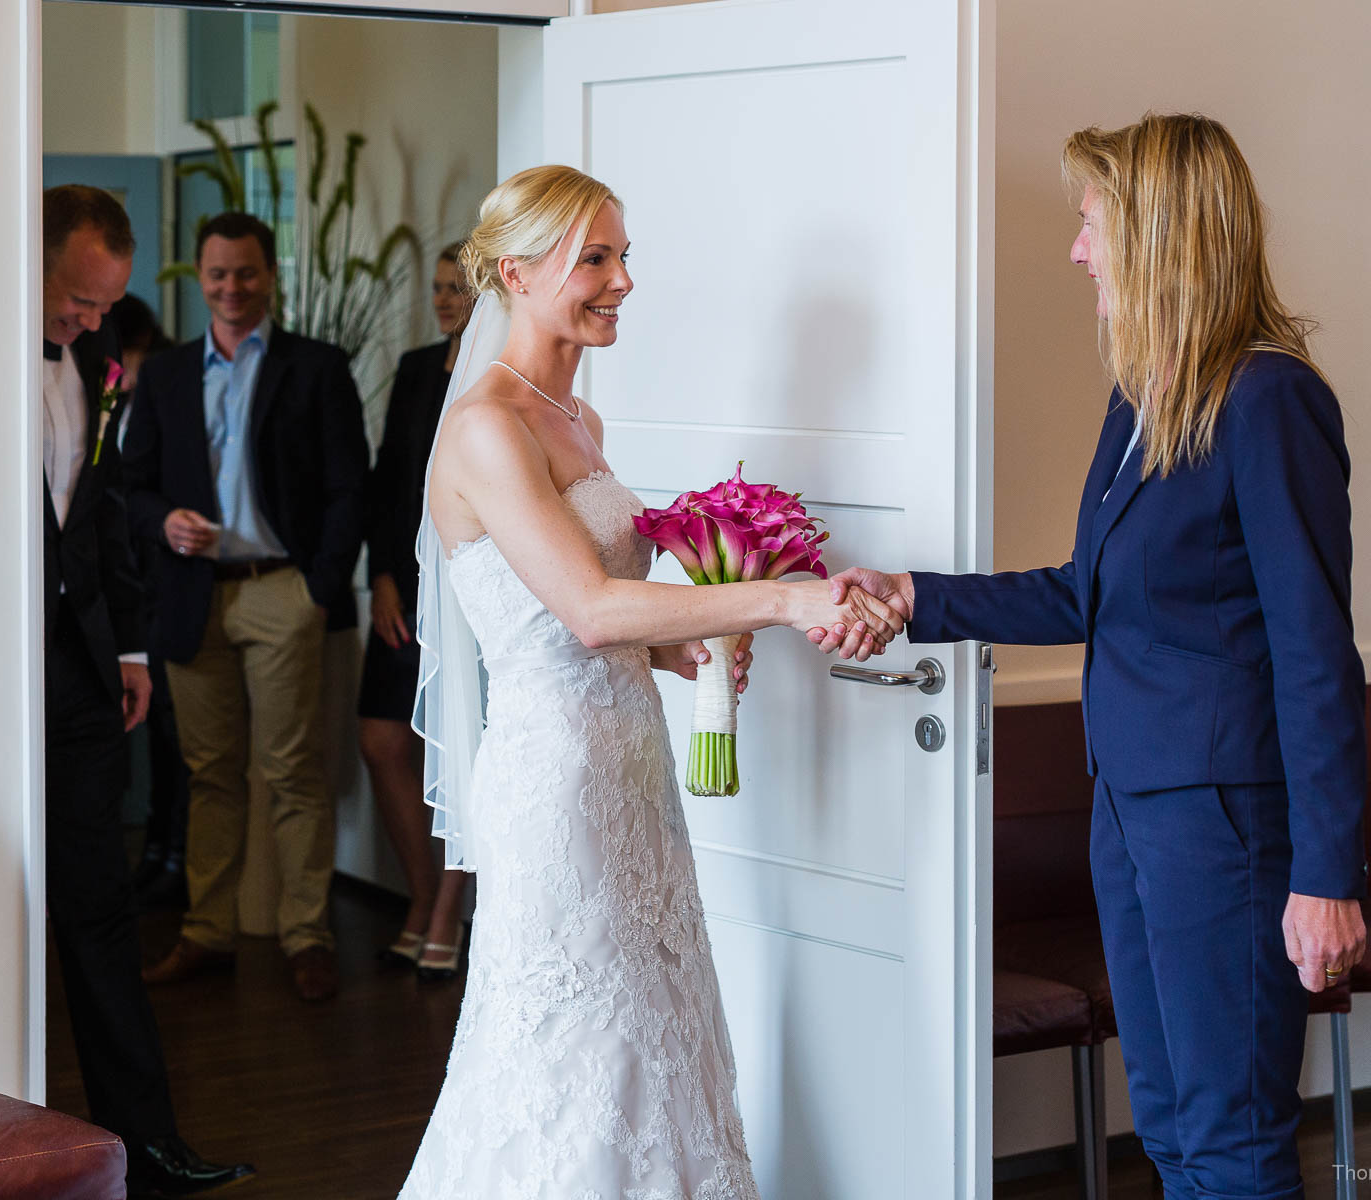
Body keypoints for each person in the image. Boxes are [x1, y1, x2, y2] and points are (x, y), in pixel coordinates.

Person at [818, 114, 1369, 1200]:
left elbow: (1316, 653)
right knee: (1166, 1127)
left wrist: (1326, 875)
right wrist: (916, 596)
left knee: (1231, 1138)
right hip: (1128, 808)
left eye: (1089, 223)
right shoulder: (1141, 399)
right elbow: (1088, 591)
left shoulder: (1269, 400)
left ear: (1159, 233)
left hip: (1224, 825)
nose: (1077, 250)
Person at [398, 165, 900, 1198]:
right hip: (557, 788)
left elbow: (590, 621)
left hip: (631, 771)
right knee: (577, 1045)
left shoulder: (577, 422)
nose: (623, 279)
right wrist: (782, 599)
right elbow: (586, 610)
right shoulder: (486, 426)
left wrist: (688, 647)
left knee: (661, 1030)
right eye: (596, 257)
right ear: (515, 271)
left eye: (623, 255)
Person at [38, 186, 253, 1196]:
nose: (90, 321)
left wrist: (129, 650)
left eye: (105, 303)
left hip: (84, 671)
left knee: (101, 910)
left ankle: (146, 1148)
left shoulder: (103, 359)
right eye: (76, 299)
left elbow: (108, 507)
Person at [123, 211, 370, 1003]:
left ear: (272, 276)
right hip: (194, 598)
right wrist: (162, 520)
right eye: (218, 274)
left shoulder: (317, 367)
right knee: (210, 775)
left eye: (247, 273)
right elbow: (128, 489)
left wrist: (317, 589)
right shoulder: (162, 375)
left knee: (294, 770)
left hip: (281, 593)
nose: (232, 288)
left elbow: (348, 489)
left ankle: (307, 935)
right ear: (201, 278)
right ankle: (208, 932)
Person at [359, 243, 472, 979]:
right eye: (436, 288)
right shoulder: (412, 371)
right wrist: (382, 580)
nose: (443, 299)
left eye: (456, 287)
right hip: (405, 584)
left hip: (469, 589)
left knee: (469, 748)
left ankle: (446, 912)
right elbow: (390, 481)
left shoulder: (498, 381)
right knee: (381, 740)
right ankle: (423, 890)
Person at [110, 293, 192, 912]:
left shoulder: (164, 382)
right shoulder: (119, 385)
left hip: (167, 578)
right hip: (134, 574)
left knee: (175, 734)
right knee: (158, 730)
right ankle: (157, 853)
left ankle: (173, 855)